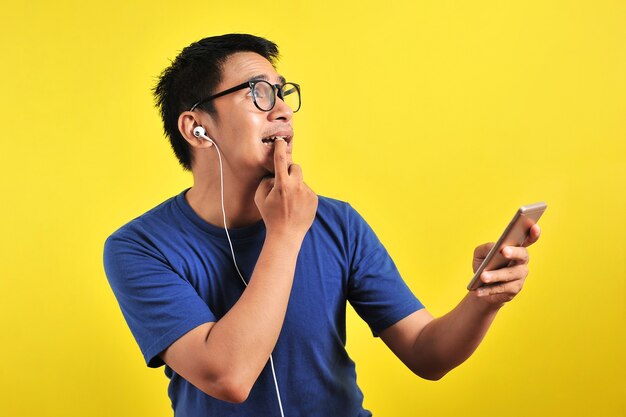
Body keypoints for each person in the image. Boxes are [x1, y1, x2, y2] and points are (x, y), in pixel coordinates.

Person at [103, 33, 540, 417]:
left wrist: (486, 298)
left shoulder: (337, 222)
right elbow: (229, 377)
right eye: (257, 93)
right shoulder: (140, 247)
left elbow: (427, 353)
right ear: (197, 128)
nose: (283, 112)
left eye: (282, 93)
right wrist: (285, 234)